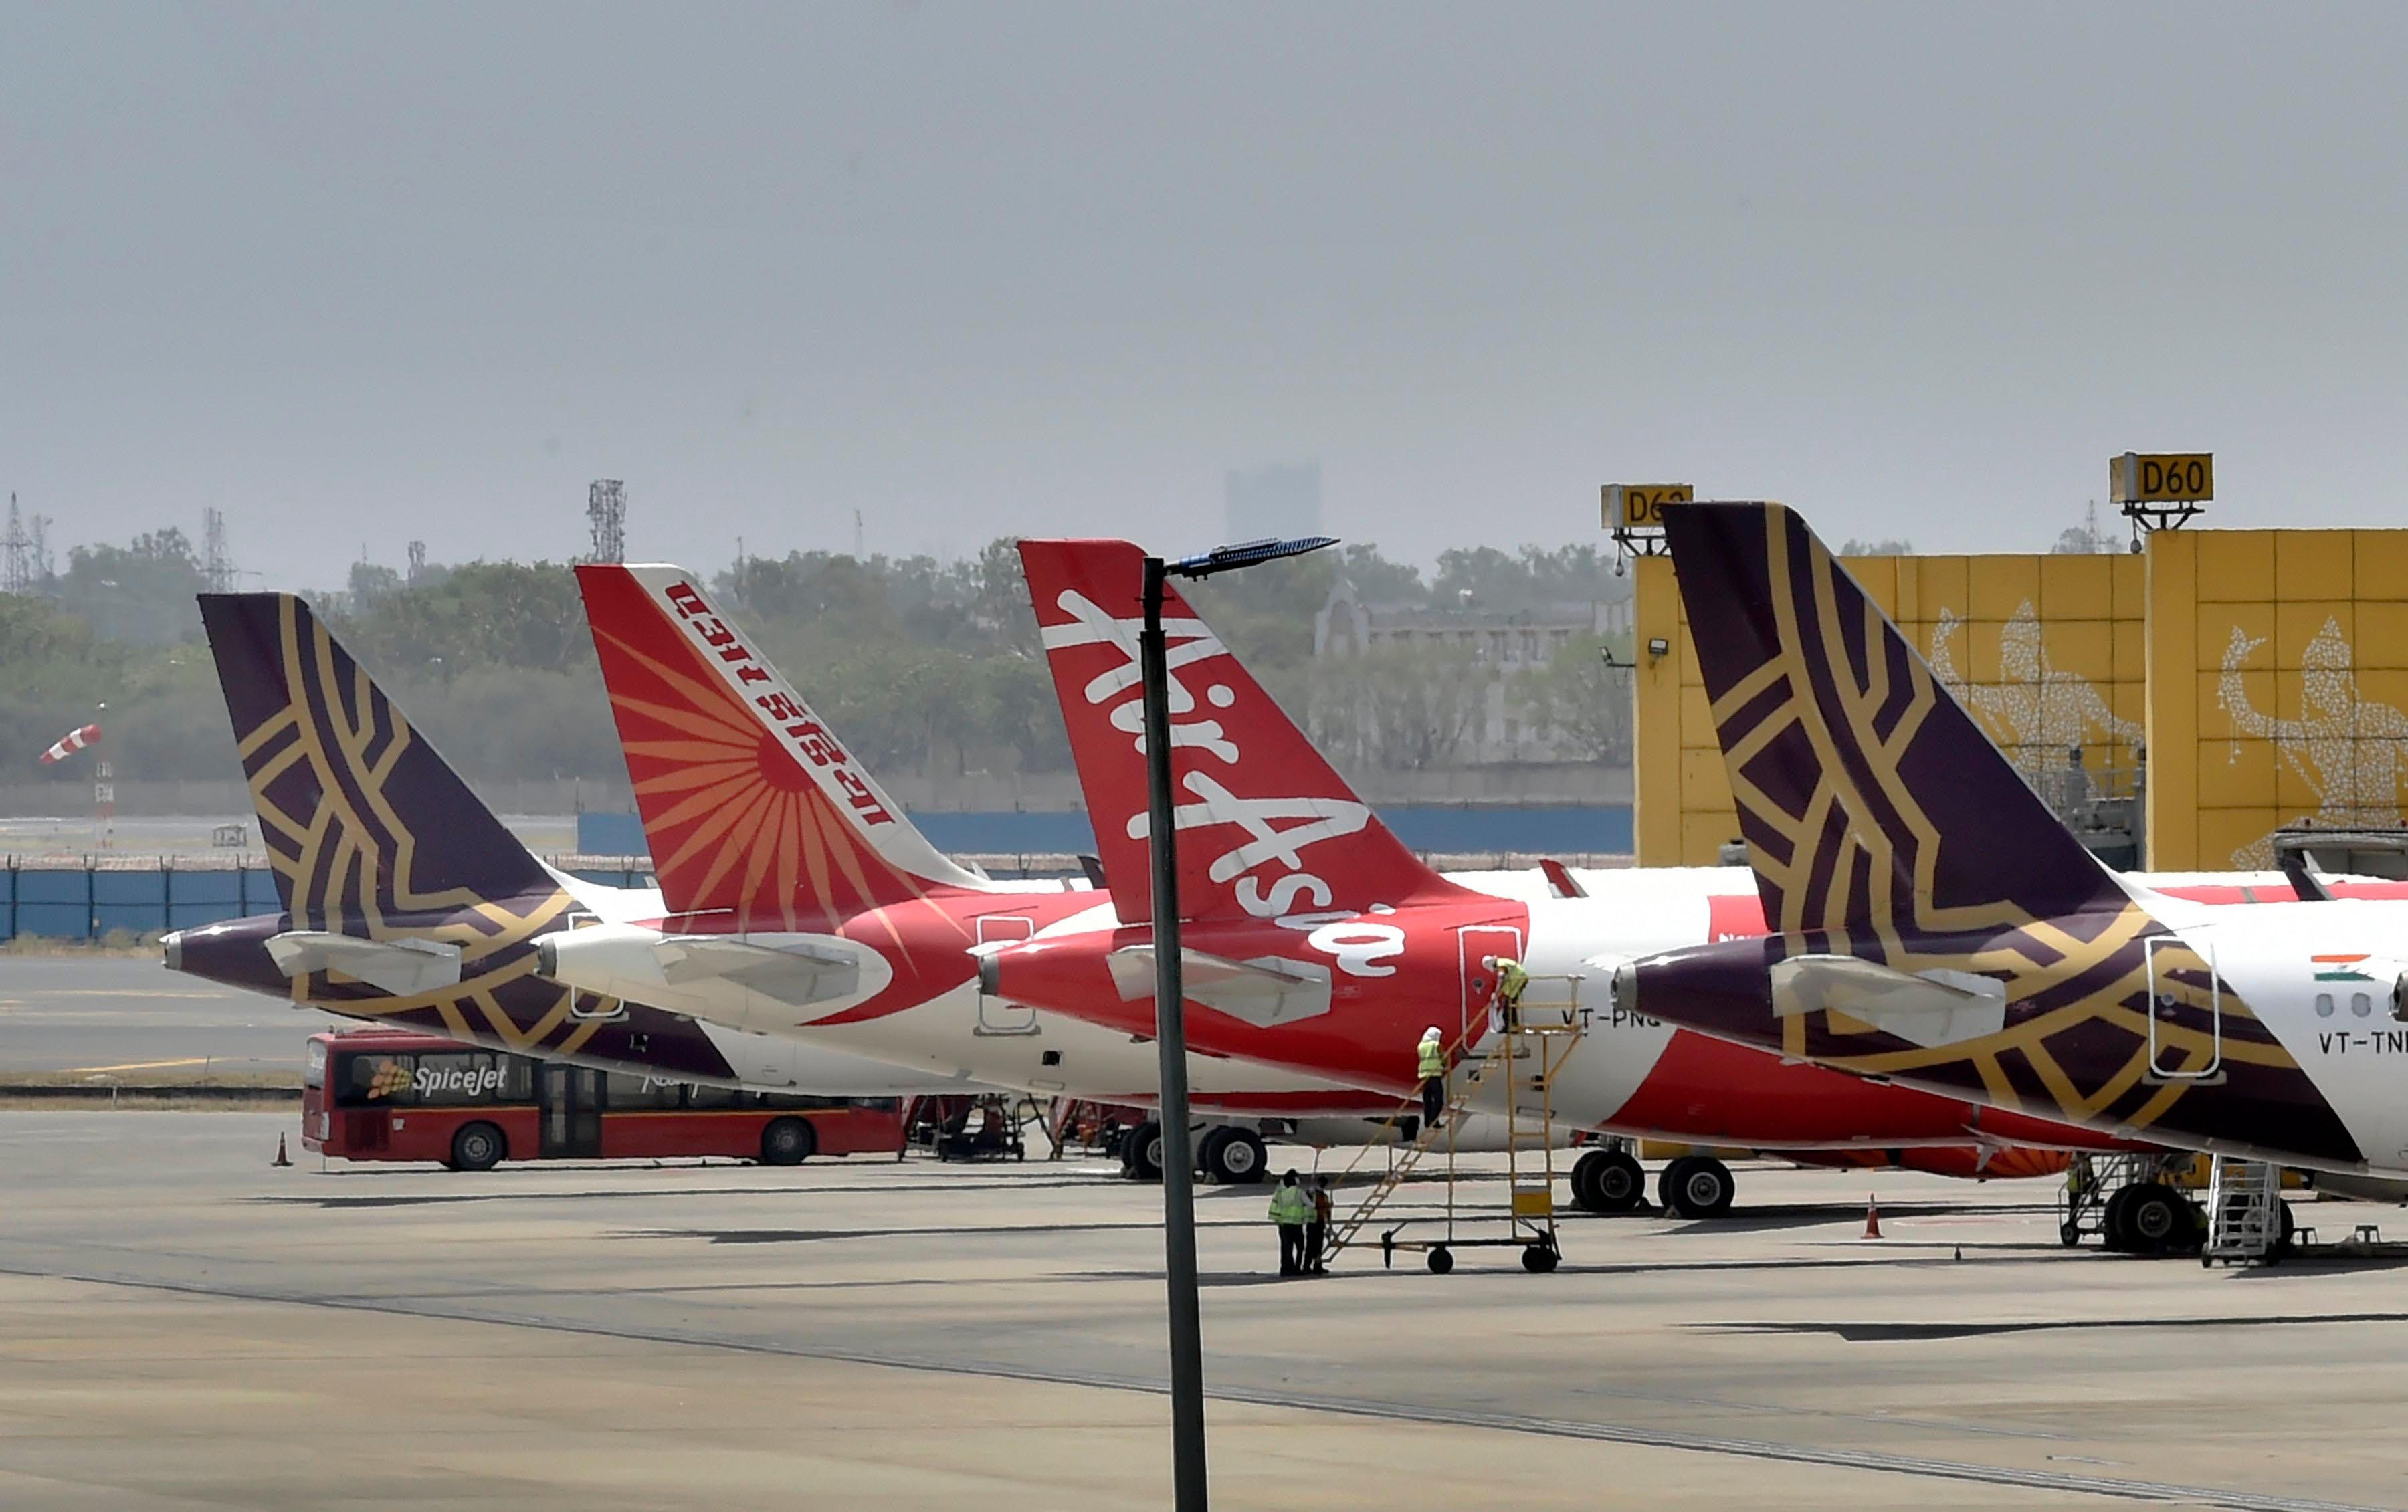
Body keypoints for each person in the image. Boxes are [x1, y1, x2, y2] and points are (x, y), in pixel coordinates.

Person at [1269, 1170, 1310, 1277]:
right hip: (1295, 1223)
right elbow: (1308, 1205)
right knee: (1298, 1247)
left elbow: (1275, 1207)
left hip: (1283, 1223)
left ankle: (1286, 1268)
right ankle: (1294, 1268)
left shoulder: (1280, 1191)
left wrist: (1278, 1220)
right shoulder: (1297, 1192)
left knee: (1286, 1247)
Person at [1486, 953, 1531, 1031]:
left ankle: (1509, 1026)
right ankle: (1513, 1025)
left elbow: (1501, 979)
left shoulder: (1500, 965)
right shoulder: (1502, 961)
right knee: (1511, 1004)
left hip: (1517, 980)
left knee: (1508, 1004)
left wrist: (1496, 994)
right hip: (1518, 979)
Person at [1416, 1026, 1447, 1125]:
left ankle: (1427, 1122)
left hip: (1424, 1075)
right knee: (1439, 1100)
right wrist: (1445, 1065)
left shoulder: (1421, 1046)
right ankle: (1434, 1121)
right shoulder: (1436, 1045)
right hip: (1435, 1075)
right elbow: (1443, 1058)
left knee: (1428, 1100)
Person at [1305, 1174, 1334, 1274]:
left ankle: (1317, 1265)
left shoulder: (1323, 1196)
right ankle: (1307, 1266)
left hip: (1320, 1222)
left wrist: (1329, 1223)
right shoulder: (1312, 1194)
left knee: (1318, 1245)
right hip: (1313, 1222)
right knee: (1311, 1245)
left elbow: (1327, 1211)